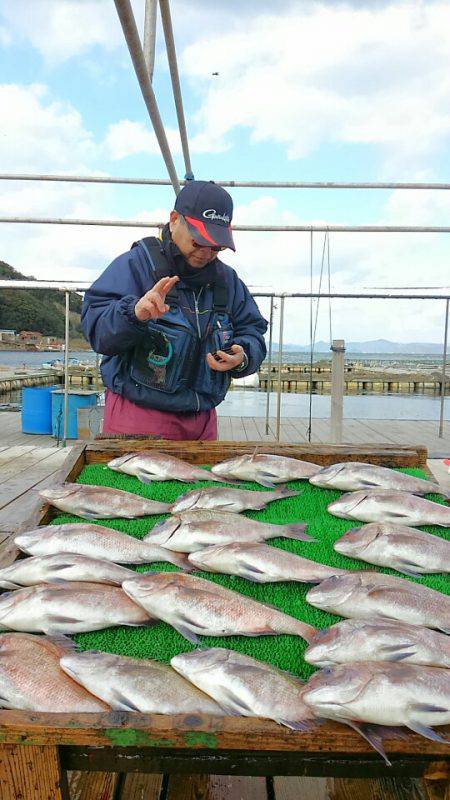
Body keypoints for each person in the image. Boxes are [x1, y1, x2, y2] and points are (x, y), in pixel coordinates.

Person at [81, 180, 268, 440]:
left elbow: (252, 330)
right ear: (174, 220)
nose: (206, 253)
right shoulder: (135, 266)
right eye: (198, 241)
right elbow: (97, 330)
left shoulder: (229, 282)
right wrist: (133, 314)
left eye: (216, 246)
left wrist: (244, 356)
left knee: (206, 482)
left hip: (202, 420)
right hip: (138, 417)